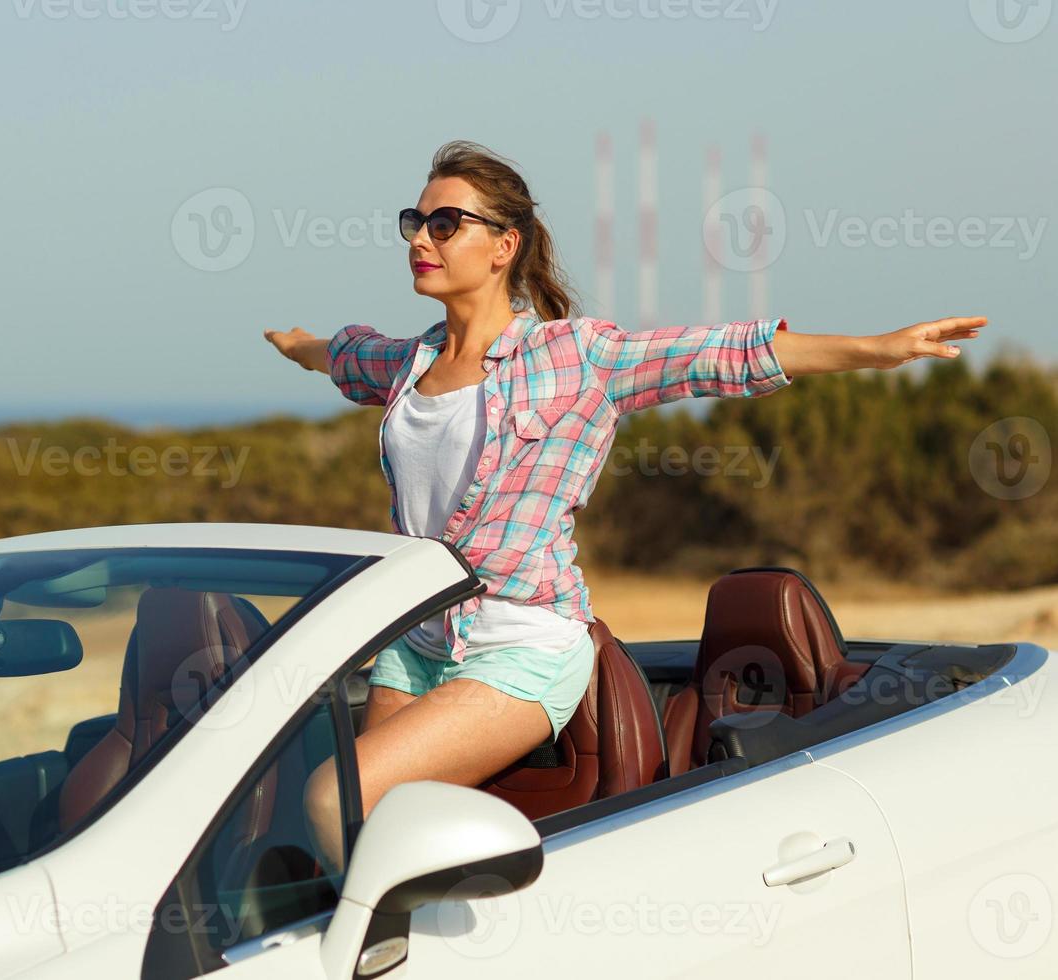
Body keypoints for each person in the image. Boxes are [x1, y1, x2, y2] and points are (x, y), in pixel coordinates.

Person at [263, 139, 986, 875]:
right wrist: (297, 346)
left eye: (445, 223)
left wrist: (877, 348)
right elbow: (345, 356)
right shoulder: (408, 364)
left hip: (520, 647)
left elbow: (719, 355)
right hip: (415, 647)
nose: (420, 237)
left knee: (334, 802)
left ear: (502, 247)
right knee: (361, 836)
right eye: (414, 220)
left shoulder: (575, 357)